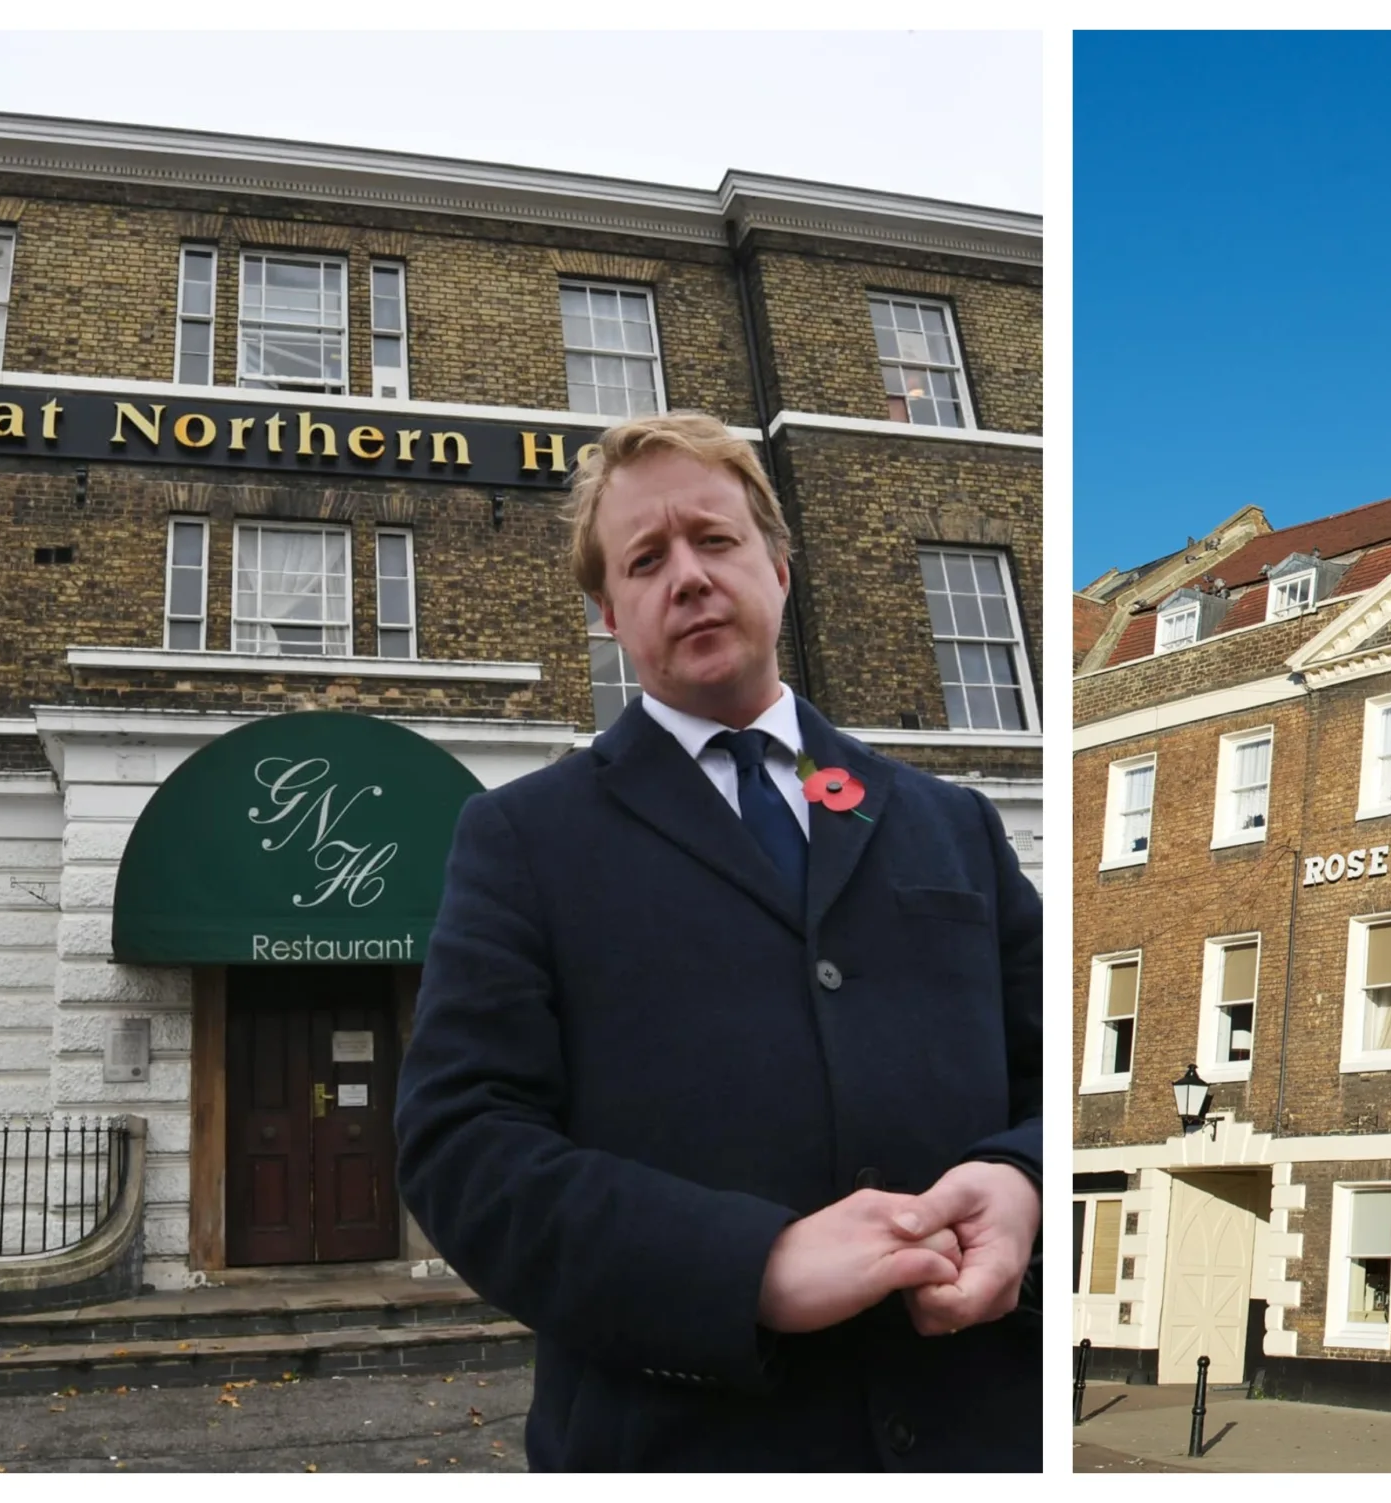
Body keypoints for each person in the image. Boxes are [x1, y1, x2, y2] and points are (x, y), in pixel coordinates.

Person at [394, 412, 1041, 1471]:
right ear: (609, 614)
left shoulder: (949, 821)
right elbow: (462, 1146)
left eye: (715, 540)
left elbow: (1060, 1067)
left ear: (779, 568)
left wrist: (1019, 1182)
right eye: (645, 560)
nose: (686, 576)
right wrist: (752, 1269)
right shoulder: (523, 838)